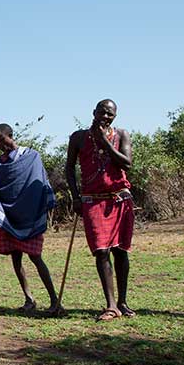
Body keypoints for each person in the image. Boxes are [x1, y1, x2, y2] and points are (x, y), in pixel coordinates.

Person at [0, 124, 62, 316]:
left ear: (11, 135)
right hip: (8, 219)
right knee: (16, 259)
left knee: (36, 257)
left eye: (3, 140)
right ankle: (28, 299)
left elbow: (39, 183)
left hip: (30, 217)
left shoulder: (31, 157)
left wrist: (39, 207)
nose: (1, 145)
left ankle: (54, 300)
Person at [65, 99, 135, 322]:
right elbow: (69, 168)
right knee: (101, 251)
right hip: (92, 201)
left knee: (121, 251)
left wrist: (105, 142)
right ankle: (111, 305)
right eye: (102, 112)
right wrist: (75, 197)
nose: (106, 117)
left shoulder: (121, 135)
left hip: (119, 199)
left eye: (110, 114)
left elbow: (126, 163)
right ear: (94, 112)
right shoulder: (78, 137)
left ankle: (122, 302)